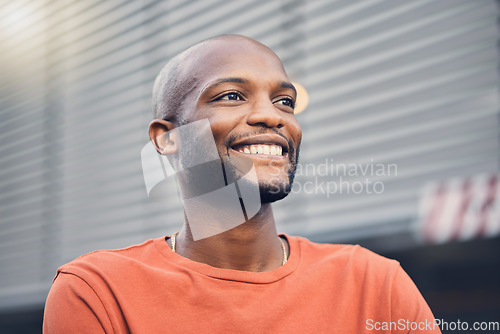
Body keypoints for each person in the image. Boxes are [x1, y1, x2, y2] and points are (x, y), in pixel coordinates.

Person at [43, 35, 441, 334]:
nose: (272, 116)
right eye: (232, 96)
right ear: (167, 138)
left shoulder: (374, 283)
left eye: (285, 101)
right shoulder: (98, 291)